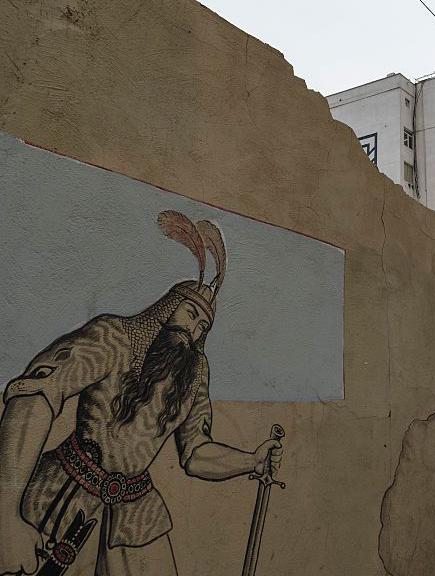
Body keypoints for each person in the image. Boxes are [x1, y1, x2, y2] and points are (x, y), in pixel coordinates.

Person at [0, 211, 281, 576]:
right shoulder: (113, 338)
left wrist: (252, 461)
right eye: (190, 312)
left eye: (203, 326)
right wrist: (5, 514)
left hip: (137, 514)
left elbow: (195, 453)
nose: (193, 329)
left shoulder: (193, 375)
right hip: (63, 493)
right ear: (167, 307)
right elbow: (36, 395)